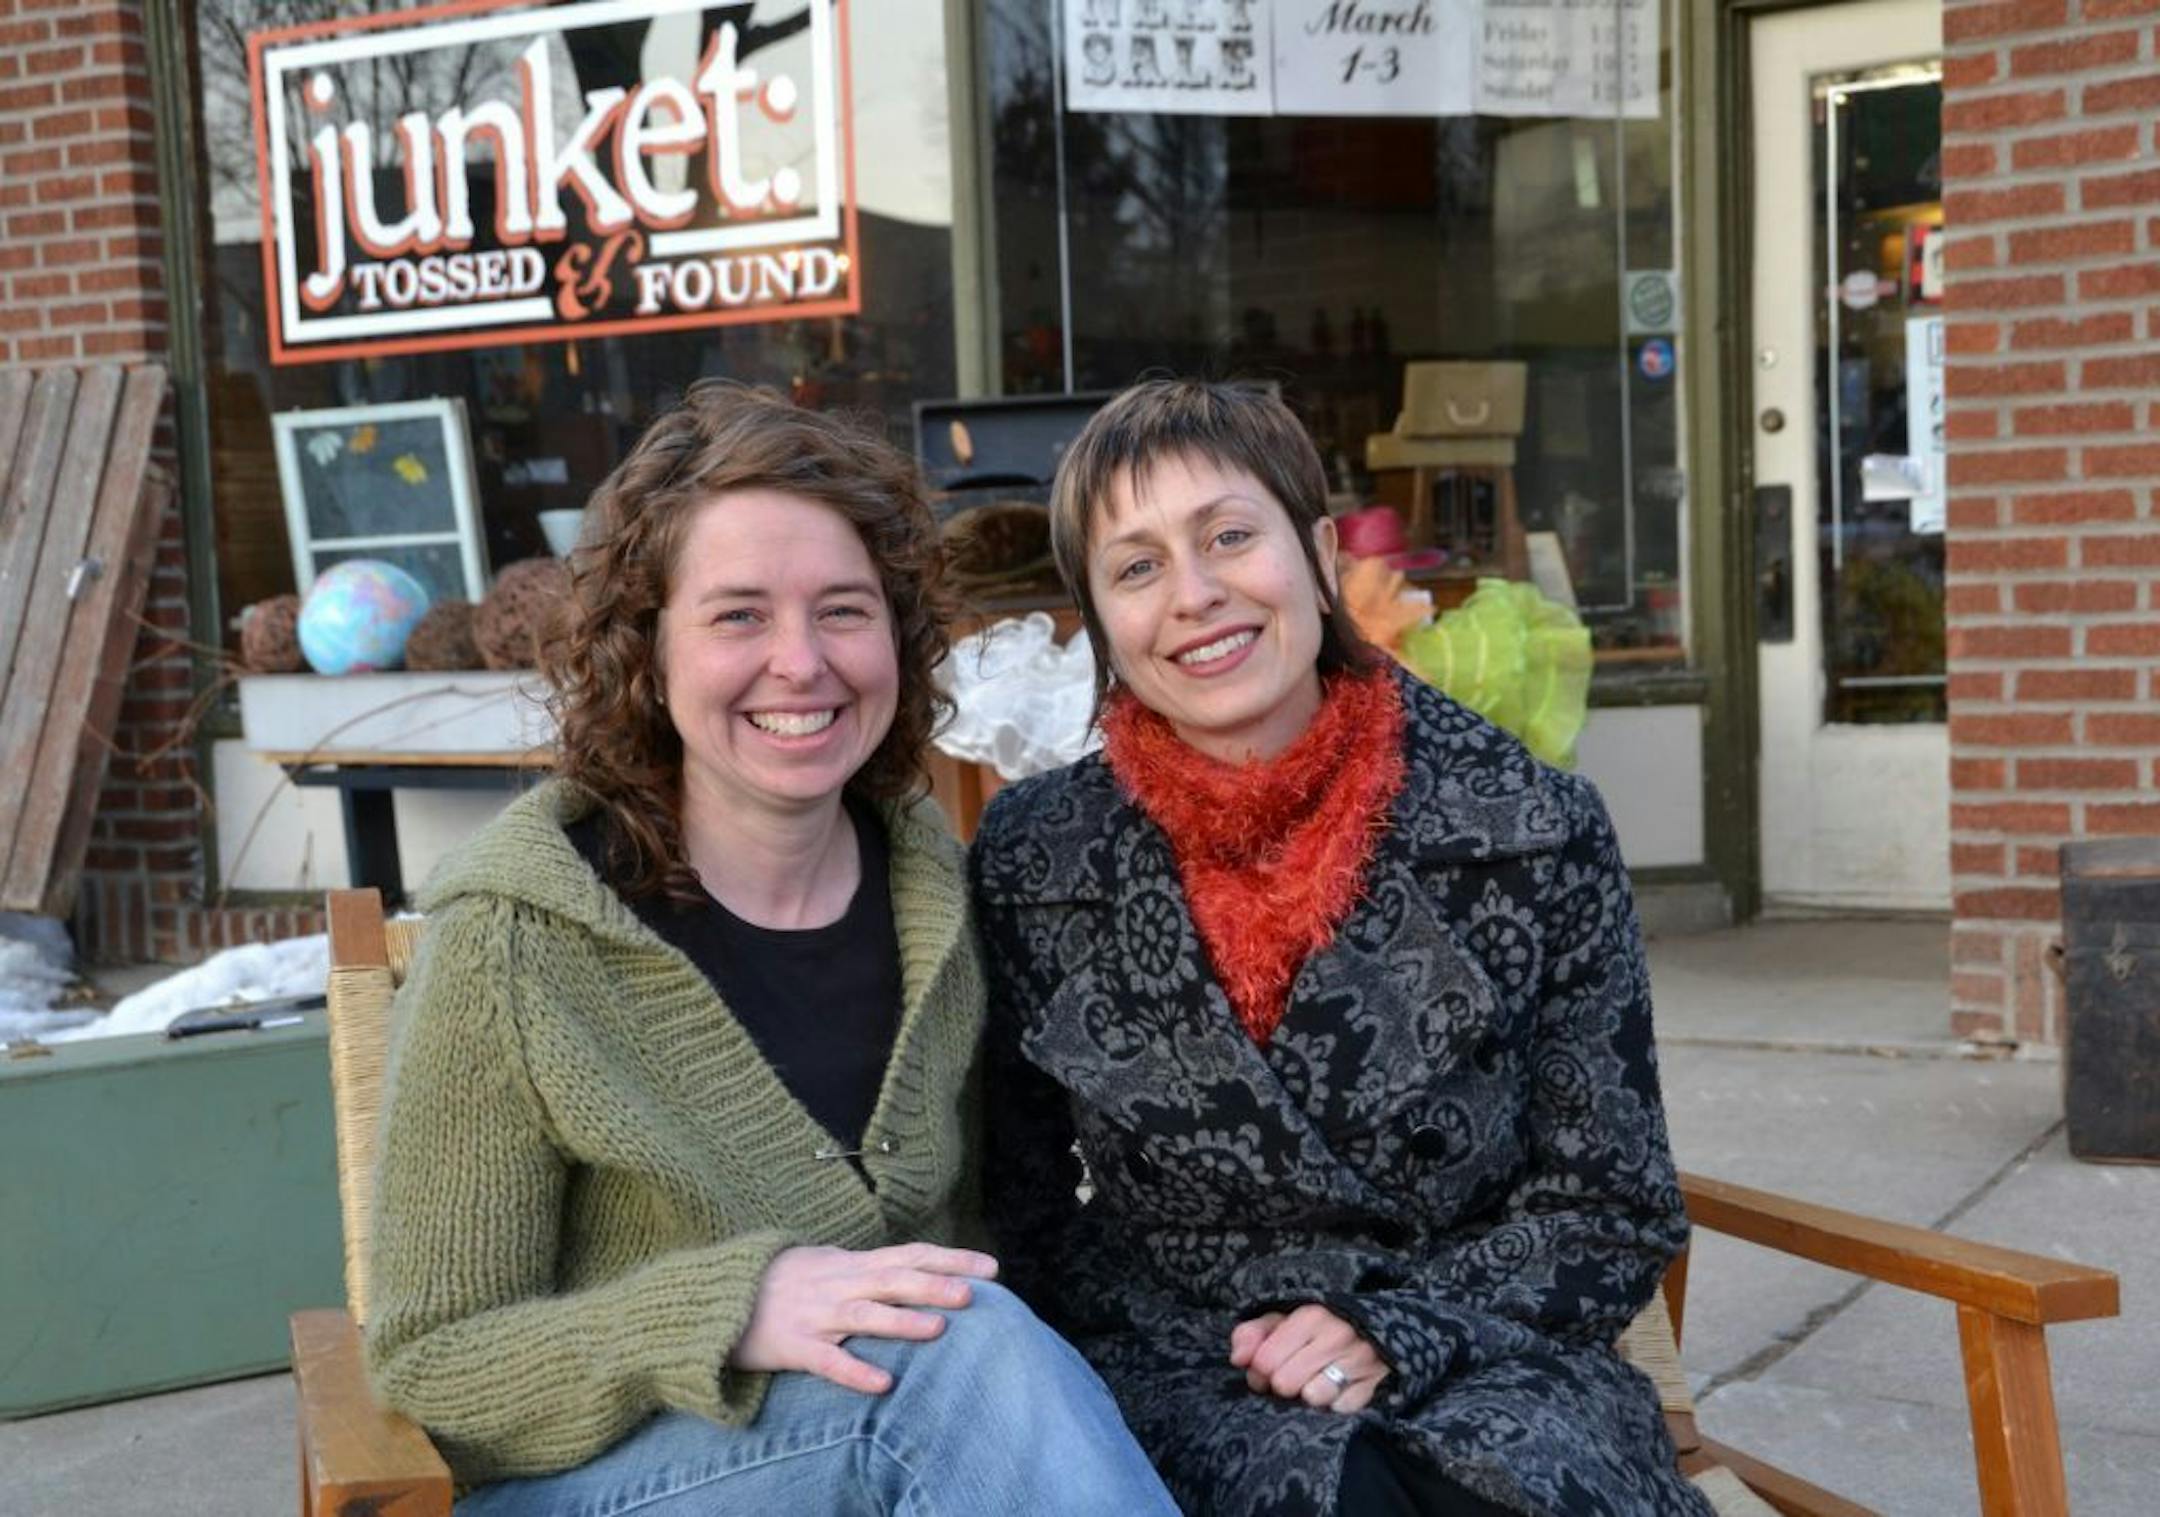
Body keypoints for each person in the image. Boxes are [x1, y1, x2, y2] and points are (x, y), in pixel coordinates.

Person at [363, 382, 1176, 1516]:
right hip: (604, 1486)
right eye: (738, 615)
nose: (800, 661)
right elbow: (436, 1364)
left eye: (843, 609)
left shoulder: (942, 900)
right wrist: (730, 1308)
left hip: (903, 1459)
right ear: (647, 651)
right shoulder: (516, 939)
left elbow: (1015, 1240)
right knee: (953, 1354)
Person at [972, 379, 1715, 1517]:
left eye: (1230, 536)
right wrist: (1164, 1333)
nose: (1195, 594)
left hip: (1482, 1350)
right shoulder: (1038, 857)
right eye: (1138, 566)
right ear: (1100, 621)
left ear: (1318, 555)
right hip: (1184, 1367)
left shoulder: (1528, 824)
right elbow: (1014, 1204)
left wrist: (1395, 1328)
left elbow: (1611, 1203)